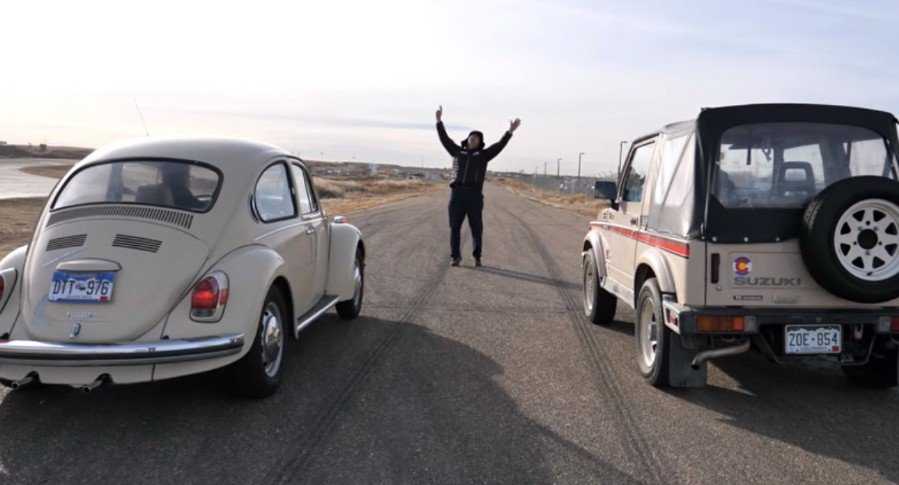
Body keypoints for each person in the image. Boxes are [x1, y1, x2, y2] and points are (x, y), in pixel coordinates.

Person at [436, 105, 521, 267]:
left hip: (474, 196)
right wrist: (439, 121)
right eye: (471, 136)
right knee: (454, 227)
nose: (473, 139)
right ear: (467, 139)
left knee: (476, 228)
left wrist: (510, 131)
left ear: (480, 142)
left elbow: (500, 145)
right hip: (457, 194)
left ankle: (477, 256)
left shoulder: (483, 155)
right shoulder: (457, 152)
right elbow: (445, 139)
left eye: (476, 138)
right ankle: (455, 257)